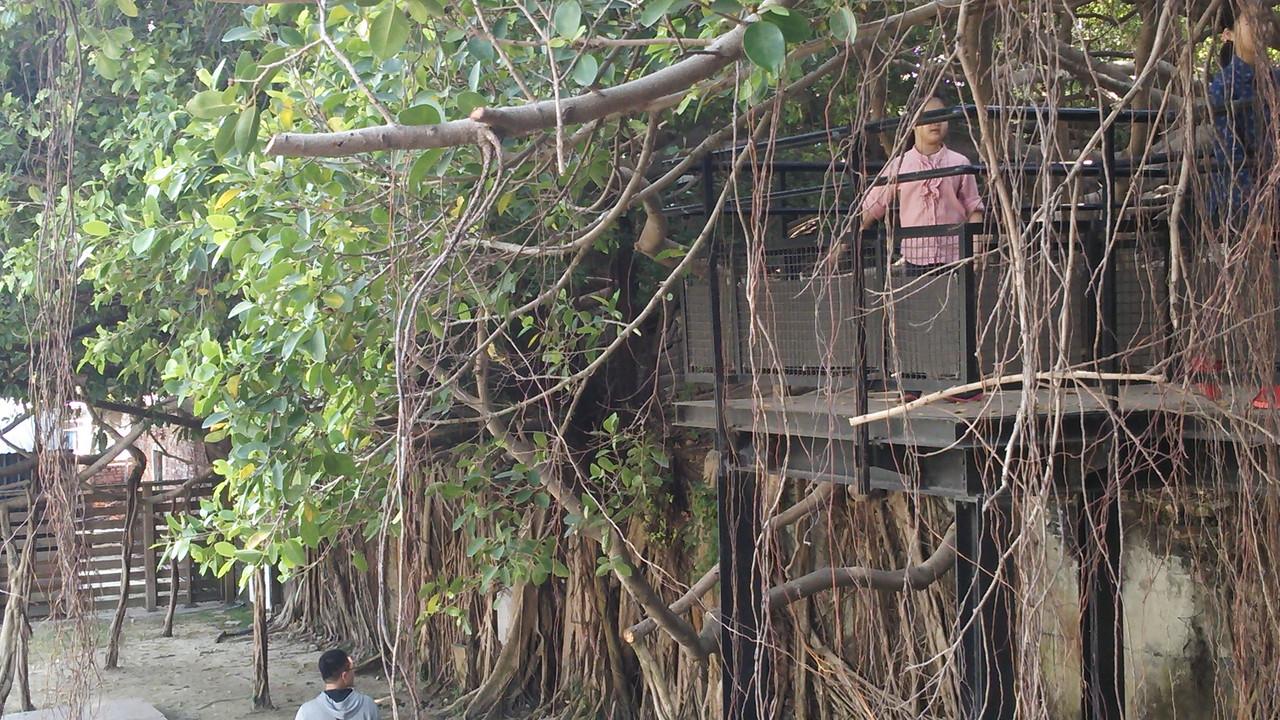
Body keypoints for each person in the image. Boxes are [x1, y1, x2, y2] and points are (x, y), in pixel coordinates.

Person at [859, 95, 985, 268]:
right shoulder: (899, 165)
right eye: (929, 116)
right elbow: (872, 206)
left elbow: (974, 209)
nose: (936, 122)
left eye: (941, 116)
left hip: (956, 256)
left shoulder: (960, 163)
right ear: (913, 123)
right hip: (915, 258)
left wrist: (975, 253)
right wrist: (839, 247)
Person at [295, 649, 380, 720]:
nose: (353, 673)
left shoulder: (306, 712)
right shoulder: (368, 706)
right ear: (344, 676)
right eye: (352, 669)